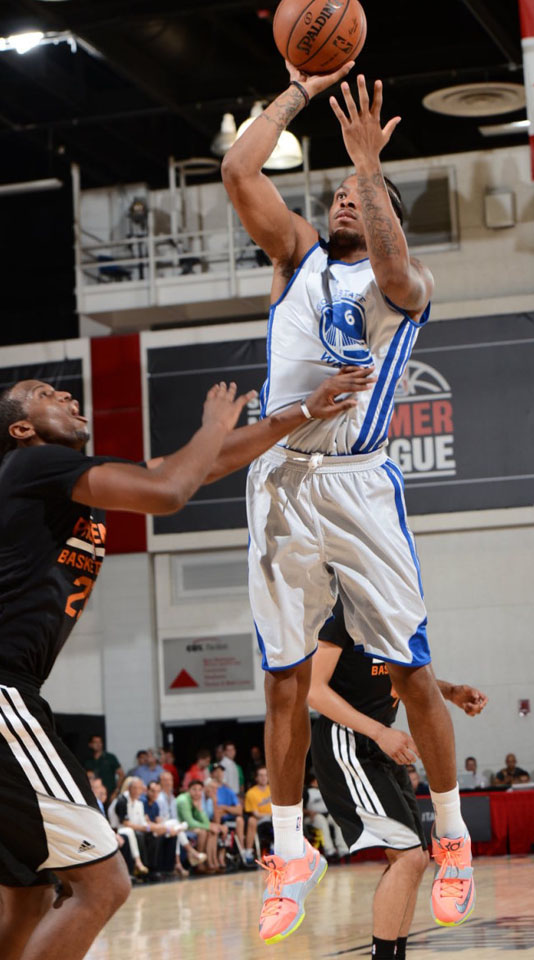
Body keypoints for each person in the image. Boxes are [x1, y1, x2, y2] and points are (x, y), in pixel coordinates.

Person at [222, 56, 472, 942]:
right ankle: (288, 847)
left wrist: (370, 169)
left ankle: (449, 832)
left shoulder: (402, 289)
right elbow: (238, 172)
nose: (340, 202)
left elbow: (399, 270)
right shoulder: (294, 258)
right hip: (280, 474)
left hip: (359, 485)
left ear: (387, 217)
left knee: (408, 671)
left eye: (360, 199)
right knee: (285, 677)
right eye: (334, 193)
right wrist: (297, 85)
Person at [0, 368, 371, 960]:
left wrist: (301, 413)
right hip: (5, 699)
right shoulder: (30, 466)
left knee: (26, 895)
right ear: (21, 428)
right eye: (46, 395)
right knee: (104, 886)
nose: (66, 396)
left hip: (13, 692)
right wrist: (213, 424)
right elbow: (171, 490)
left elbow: (202, 464)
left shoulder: (67, 480)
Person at [308, 599, 487, 960]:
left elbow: (405, 676)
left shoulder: (401, 610)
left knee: (416, 859)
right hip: (345, 740)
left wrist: (450, 692)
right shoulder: (346, 612)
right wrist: (378, 733)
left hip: (379, 743)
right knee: (407, 857)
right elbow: (313, 690)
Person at [244, 766, 273, 863]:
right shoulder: (251, 793)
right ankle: (249, 852)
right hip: (261, 821)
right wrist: (270, 814)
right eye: (261, 775)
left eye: (265, 775)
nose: (264, 778)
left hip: (274, 819)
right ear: (256, 778)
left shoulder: (273, 790)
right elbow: (256, 814)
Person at [83, 734, 123, 801]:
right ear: (90, 744)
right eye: (95, 742)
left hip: (110, 794)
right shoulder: (87, 761)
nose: (98, 744)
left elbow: (121, 775)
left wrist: (116, 792)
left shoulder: (110, 757)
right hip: (94, 795)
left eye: (100, 742)